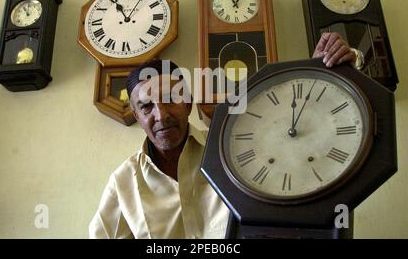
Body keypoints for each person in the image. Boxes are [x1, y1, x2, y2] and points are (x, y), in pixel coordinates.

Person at [88, 32, 363, 239]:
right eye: (147, 106)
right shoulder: (123, 181)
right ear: (136, 116)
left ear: (188, 102)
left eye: (171, 98)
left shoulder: (233, 148)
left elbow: (295, 131)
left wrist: (326, 71)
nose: (161, 115)